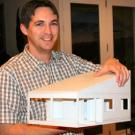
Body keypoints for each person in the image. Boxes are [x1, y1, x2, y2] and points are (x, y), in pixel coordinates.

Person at [0, 0, 130, 135]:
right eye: (40, 24)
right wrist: (64, 125)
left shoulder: (71, 62)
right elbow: (6, 130)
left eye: (53, 23)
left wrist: (112, 62)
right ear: (24, 29)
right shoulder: (9, 73)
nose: (48, 31)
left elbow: (102, 73)